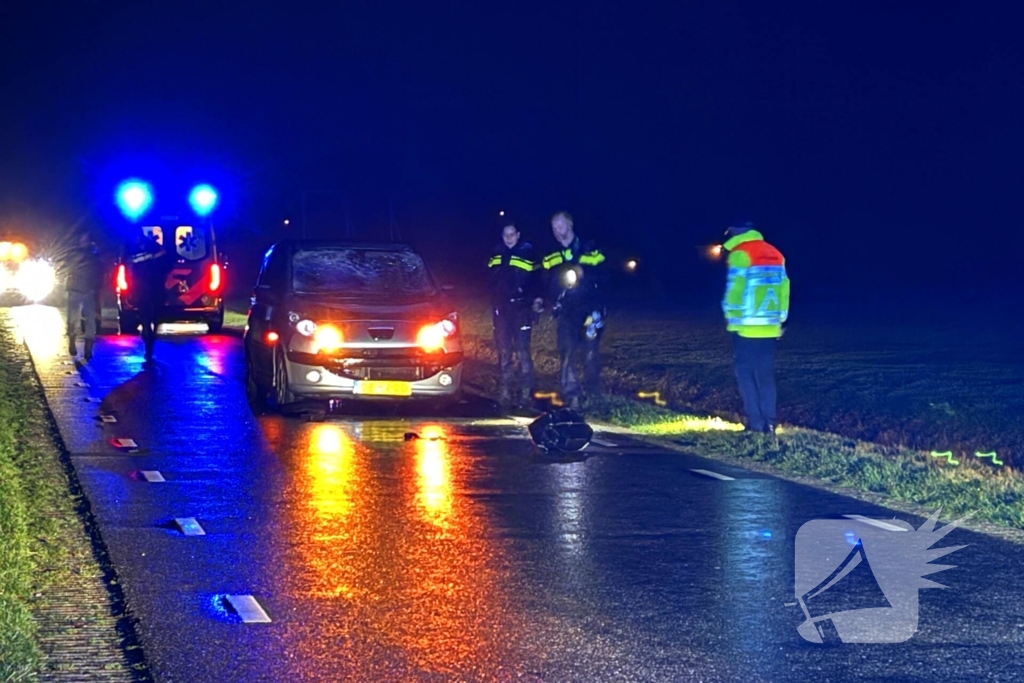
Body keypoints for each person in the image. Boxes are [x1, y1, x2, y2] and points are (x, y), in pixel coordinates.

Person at [720, 221, 790, 434]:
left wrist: (731, 317)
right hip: (770, 325)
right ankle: (769, 422)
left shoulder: (740, 254)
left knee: (745, 373)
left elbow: (735, 290)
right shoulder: (776, 253)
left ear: (735, 234)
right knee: (765, 374)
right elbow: (784, 288)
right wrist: (780, 318)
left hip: (747, 326)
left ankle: (754, 423)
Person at [535, 211, 608, 411]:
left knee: (590, 354)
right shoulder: (551, 253)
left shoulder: (589, 249)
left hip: (590, 310)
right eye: (553, 228)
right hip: (566, 311)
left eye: (560, 226)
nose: (557, 231)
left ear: (570, 224)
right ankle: (572, 395)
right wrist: (541, 298)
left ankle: (595, 395)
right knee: (566, 353)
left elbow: (606, 275)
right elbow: (545, 279)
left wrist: (587, 274)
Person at [487, 218, 538, 408]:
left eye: (512, 234)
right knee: (504, 351)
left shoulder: (528, 252)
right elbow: (490, 279)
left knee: (523, 351)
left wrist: (535, 300)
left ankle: (526, 393)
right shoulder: (496, 252)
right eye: (505, 234)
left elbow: (536, 280)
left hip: (521, 309)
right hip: (501, 310)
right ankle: (505, 391)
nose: (509, 238)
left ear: (518, 235)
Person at [129, 233, 173, 361]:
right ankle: (149, 341)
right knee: (152, 318)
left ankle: (149, 342)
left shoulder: (139, 251)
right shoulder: (157, 251)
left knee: (148, 319)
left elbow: (134, 268)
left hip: (148, 290)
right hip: (153, 289)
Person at [65, 231, 105, 361]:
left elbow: (99, 270)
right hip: (77, 288)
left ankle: (88, 349)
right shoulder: (76, 253)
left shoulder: (92, 253)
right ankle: (73, 339)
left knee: (89, 320)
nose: (84, 241)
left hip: (87, 289)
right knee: (74, 318)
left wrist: (97, 286)